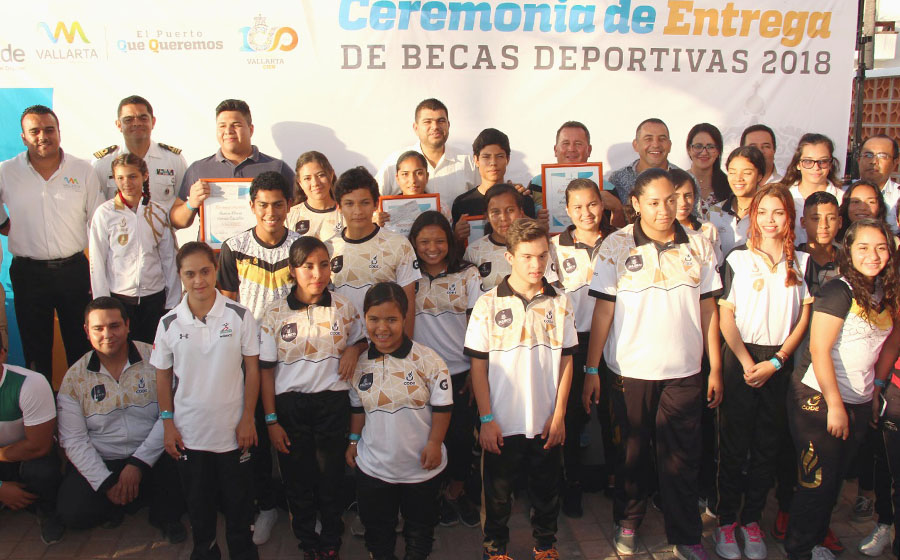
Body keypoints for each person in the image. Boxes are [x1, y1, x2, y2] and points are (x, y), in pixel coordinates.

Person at [583, 168, 723, 560]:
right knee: (632, 453)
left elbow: (709, 309)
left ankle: (687, 535)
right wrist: (591, 370)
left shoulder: (699, 245)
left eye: (671, 200)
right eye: (655, 202)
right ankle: (628, 520)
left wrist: (714, 366)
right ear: (636, 204)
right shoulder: (615, 245)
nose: (665, 210)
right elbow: (603, 312)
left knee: (683, 456)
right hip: (630, 371)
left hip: (685, 372)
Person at [784, 219, 898, 560]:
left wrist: (876, 388)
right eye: (863, 247)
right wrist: (834, 405)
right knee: (816, 481)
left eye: (881, 248)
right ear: (848, 250)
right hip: (819, 399)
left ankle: (815, 541)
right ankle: (799, 549)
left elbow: (891, 344)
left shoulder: (884, 292)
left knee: (833, 482)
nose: (873, 255)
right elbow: (819, 350)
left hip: (859, 400)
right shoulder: (838, 290)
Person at [464, 218, 577, 560]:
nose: (536, 264)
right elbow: (478, 367)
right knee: (497, 496)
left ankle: (545, 545)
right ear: (510, 257)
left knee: (546, 491)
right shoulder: (487, 304)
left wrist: (559, 415)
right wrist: (486, 419)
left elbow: (566, 361)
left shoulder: (560, 302)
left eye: (542, 255)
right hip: (501, 422)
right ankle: (495, 549)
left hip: (545, 421)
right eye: (527, 256)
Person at [713, 185, 812, 560]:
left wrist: (778, 360)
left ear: (790, 219)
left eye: (779, 212)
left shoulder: (801, 263)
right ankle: (726, 522)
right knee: (733, 446)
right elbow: (725, 315)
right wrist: (744, 361)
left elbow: (803, 318)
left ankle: (751, 521)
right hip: (741, 358)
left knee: (767, 446)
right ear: (753, 215)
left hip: (778, 364)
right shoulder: (738, 258)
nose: (771, 220)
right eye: (764, 212)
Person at [259, 237, 367, 559]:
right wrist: (271, 421)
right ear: (293, 270)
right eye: (308, 266)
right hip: (290, 407)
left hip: (332, 404)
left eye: (324, 265)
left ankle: (331, 542)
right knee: (297, 480)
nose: (317, 273)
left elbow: (362, 338)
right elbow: (266, 372)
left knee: (331, 478)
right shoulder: (274, 312)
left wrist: (354, 349)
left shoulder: (343, 307)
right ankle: (308, 543)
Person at [151, 242, 260, 560]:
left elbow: (253, 370)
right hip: (190, 434)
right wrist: (168, 424)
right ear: (180, 276)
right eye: (190, 274)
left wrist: (248, 418)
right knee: (199, 510)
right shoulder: (168, 323)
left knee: (239, 509)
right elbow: (162, 378)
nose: (198, 280)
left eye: (205, 271)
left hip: (233, 433)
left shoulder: (240, 315)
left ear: (215, 271)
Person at [55, 297, 185, 541]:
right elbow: (73, 440)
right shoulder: (74, 378)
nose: (107, 335)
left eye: (114, 326)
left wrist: (138, 463)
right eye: (98, 328)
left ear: (127, 325)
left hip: (153, 454)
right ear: (87, 331)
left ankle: (162, 515)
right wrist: (104, 482)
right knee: (72, 512)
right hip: (104, 459)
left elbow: (170, 414)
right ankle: (120, 499)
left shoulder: (155, 358)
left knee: (185, 483)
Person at [217, 170, 300, 544]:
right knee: (258, 439)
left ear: (289, 205)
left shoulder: (302, 246)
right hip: (249, 360)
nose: (271, 212)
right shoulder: (233, 247)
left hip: (294, 357)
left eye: (278, 204)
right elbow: (226, 308)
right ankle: (266, 506)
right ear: (252, 206)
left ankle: (302, 508)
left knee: (293, 434)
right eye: (263, 205)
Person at [347, 282, 452, 560]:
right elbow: (358, 409)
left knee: (420, 534)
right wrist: (353, 442)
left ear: (405, 318)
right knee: (378, 535)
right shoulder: (359, 364)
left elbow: (443, 409)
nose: (382, 328)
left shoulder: (428, 360)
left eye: (391, 319)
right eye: (374, 319)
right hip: (374, 469)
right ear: (364, 318)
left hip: (421, 469)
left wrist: (434, 443)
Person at [0, 104, 103, 381]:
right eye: (34, 131)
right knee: (36, 349)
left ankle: (82, 402)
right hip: (28, 274)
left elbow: (98, 222)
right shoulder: (6, 171)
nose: (42, 136)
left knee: (81, 346)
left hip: (74, 271)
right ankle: (42, 405)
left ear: (59, 132)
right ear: (23, 137)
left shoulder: (83, 170)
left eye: (49, 129)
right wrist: (4, 224)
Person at [408, 211, 482, 528]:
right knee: (425, 439)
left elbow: (479, 326)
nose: (432, 248)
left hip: (460, 373)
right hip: (420, 376)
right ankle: (432, 495)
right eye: (424, 241)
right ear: (414, 243)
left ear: (450, 242)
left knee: (461, 440)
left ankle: (455, 492)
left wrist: (477, 372)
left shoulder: (467, 274)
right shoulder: (406, 277)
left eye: (439, 240)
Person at [549, 179, 616, 519]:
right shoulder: (553, 247)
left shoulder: (619, 241)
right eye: (577, 207)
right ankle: (571, 482)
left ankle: (616, 479)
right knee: (573, 415)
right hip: (574, 343)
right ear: (567, 210)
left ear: (602, 205)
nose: (586, 212)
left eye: (592, 204)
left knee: (612, 414)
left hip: (613, 339)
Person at [88, 153, 180, 344]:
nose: (126, 183)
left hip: (154, 299)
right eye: (120, 178)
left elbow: (169, 258)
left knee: (153, 352)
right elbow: (97, 261)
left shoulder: (158, 212)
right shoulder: (105, 214)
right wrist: (102, 304)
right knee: (125, 353)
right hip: (120, 299)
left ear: (145, 176)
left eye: (132, 176)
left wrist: (172, 302)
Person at [169, 99, 294, 231]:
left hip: (262, 244)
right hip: (213, 244)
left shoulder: (276, 168)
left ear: (251, 129)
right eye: (222, 126)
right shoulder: (198, 169)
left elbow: (300, 209)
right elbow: (176, 221)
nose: (228, 131)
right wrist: (191, 203)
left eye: (236, 125)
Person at [326, 166, 420, 334]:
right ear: (338, 207)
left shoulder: (399, 245)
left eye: (365, 203)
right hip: (343, 345)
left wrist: (405, 346)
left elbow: (408, 305)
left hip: (386, 344)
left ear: (376, 204)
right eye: (349, 203)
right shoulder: (329, 248)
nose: (357, 211)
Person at [0, 345, 63, 545]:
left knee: (41, 471)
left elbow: (38, 446)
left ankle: (48, 511)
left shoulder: (29, 383)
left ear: (2, 353)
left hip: (28, 456)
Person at [375, 98, 478, 206]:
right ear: (416, 128)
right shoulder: (394, 161)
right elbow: (372, 201)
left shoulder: (467, 161)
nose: (435, 127)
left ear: (448, 125)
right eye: (427, 122)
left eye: (441, 121)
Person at [92, 95, 187, 208]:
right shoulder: (103, 162)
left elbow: (184, 205)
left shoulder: (173, 160)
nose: (136, 123)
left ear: (153, 122)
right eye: (128, 119)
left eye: (143, 118)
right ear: (119, 125)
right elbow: (96, 208)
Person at [525, 121, 625, 226]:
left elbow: (619, 232)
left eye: (578, 144)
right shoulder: (536, 184)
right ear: (555, 150)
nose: (571, 149)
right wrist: (536, 223)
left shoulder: (607, 188)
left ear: (589, 150)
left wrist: (617, 209)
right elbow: (524, 226)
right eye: (565, 143)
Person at [464, 184, 556, 294]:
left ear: (521, 212)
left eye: (510, 210)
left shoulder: (537, 246)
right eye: (496, 212)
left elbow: (549, 288)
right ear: (487, 216)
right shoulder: (474, 251)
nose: (503, 218)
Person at [450, 128, 538, 242]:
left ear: (507, 159)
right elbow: (456, 249)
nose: (493, 163)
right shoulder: (462, 203)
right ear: (476, 160)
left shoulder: (523, 199)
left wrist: (535, 225)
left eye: (499, 156)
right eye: (486, 157)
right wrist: (457, 236)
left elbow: (533, 242)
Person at [780, 133, 845, 245]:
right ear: (798, 164)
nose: (816, 167)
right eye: (808, 162)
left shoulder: (843, 199)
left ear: (830, 164)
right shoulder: (782, 197)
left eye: (822, 162)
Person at [708, 146, 767, 259]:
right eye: (732, 172)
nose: (738, 178)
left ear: (759, 176)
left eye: (747, 173)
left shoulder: (767, 213)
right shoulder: (714, 213)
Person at [607, 118, 681, 206]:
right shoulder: (618, 179)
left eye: (662, 139)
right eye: (648, 139)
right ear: (636, 145)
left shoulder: (683, 179)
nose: (656, 145)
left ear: (670, 145)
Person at [285, 151, 343, 243]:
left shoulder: (347, 214)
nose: (315, 183)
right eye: (307, 178)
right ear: (300, 182)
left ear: (331, 175)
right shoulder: (289, 217)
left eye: (321, 175)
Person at [672, 169, 722, 261]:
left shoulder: (707, 229)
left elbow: (717, 265)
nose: (683, 202)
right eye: (675, 196)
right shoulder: (653, 231)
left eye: (688, 195)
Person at [685, 123, 731, 220]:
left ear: (718, 151)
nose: (704, 152)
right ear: (689, 149)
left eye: (710, 147)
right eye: (698, 146)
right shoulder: (678, 182)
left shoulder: (729, 185)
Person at [857, 135, 899, 231]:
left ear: (895, 163)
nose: (873, 161)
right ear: (859, 160)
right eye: (868, 155)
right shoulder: (843, 192)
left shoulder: (898, 196)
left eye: (882, 156)